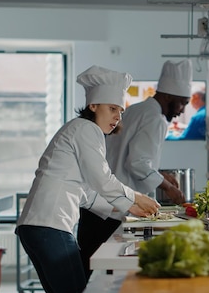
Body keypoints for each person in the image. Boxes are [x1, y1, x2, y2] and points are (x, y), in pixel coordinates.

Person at [15, 65, 161, 293]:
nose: (118, 117)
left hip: (36, 227)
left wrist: (128, 212)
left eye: (121, 111)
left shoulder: (78, 131)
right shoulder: (86, 130)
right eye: (113, 109)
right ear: (93, 105)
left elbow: (88, 193)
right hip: (49, 226)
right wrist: (137, 197)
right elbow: (103, 180)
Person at [77, 60, 193, 278]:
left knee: (86, 273)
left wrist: (160, 175)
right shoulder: (155, 119)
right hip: (111, 209)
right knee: (99, 276)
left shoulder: (138, 109)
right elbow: (137, 163)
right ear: (168, 96)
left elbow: (128, 157)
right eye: (182, 103)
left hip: (97, 206)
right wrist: (169, 188)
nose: (182, 110)